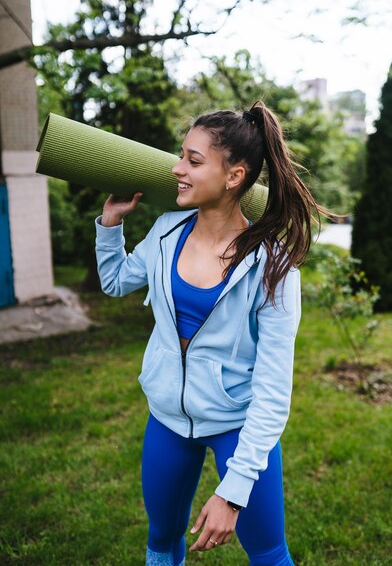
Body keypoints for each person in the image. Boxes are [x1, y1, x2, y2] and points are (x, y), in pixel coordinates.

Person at [95, 101, 337, 566]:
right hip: (167, 418)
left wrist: (234, 490)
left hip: (237, 425)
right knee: (162, 541)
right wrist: (112, 223)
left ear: (233, 176)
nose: (176, 168)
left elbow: (272, 390)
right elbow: (115, 282)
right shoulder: (166, 232)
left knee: (268, 553)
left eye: (193, 160)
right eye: (181, 156)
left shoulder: (274, 267)